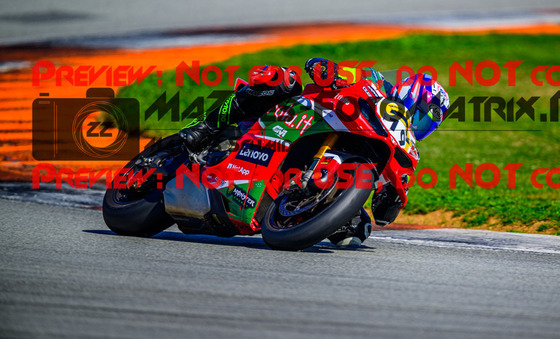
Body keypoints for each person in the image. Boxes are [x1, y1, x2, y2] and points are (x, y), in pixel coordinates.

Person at [179, 58, 449, 247]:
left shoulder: (403, 145)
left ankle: (288, 207)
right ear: (411, 94)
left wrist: (393, 195)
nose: (421, 123)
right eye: (422, 113)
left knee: (356, 233)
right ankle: (205, 127)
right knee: (280, 79)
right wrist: (328, 70)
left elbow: (383, 215)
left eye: (429, 123)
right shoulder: (374, 83)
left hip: (325, 168)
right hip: (303, 117)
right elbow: (334, 70)